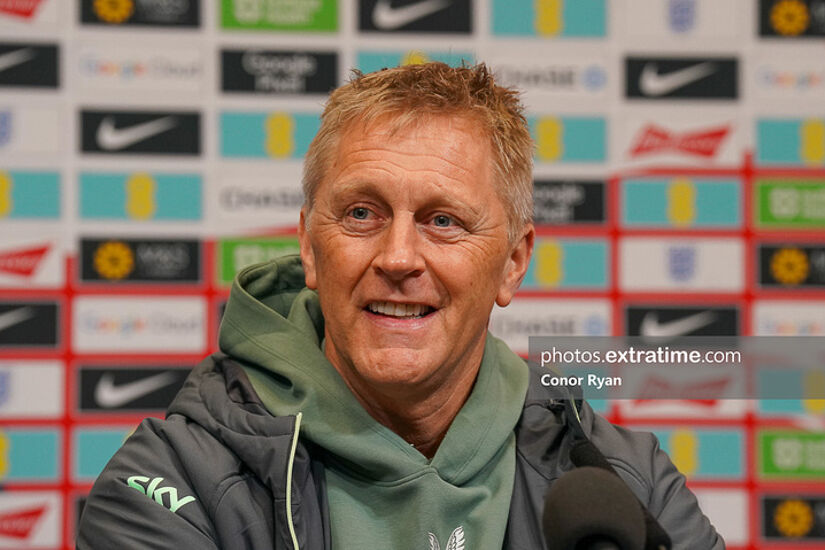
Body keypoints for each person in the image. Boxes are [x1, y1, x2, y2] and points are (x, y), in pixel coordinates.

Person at [77, 62, 724, 550]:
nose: (397, 257)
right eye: (361, 213)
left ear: (513, 261)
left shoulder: (619, 478)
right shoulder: (172, 482)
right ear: (307, 245)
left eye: (443, 221)